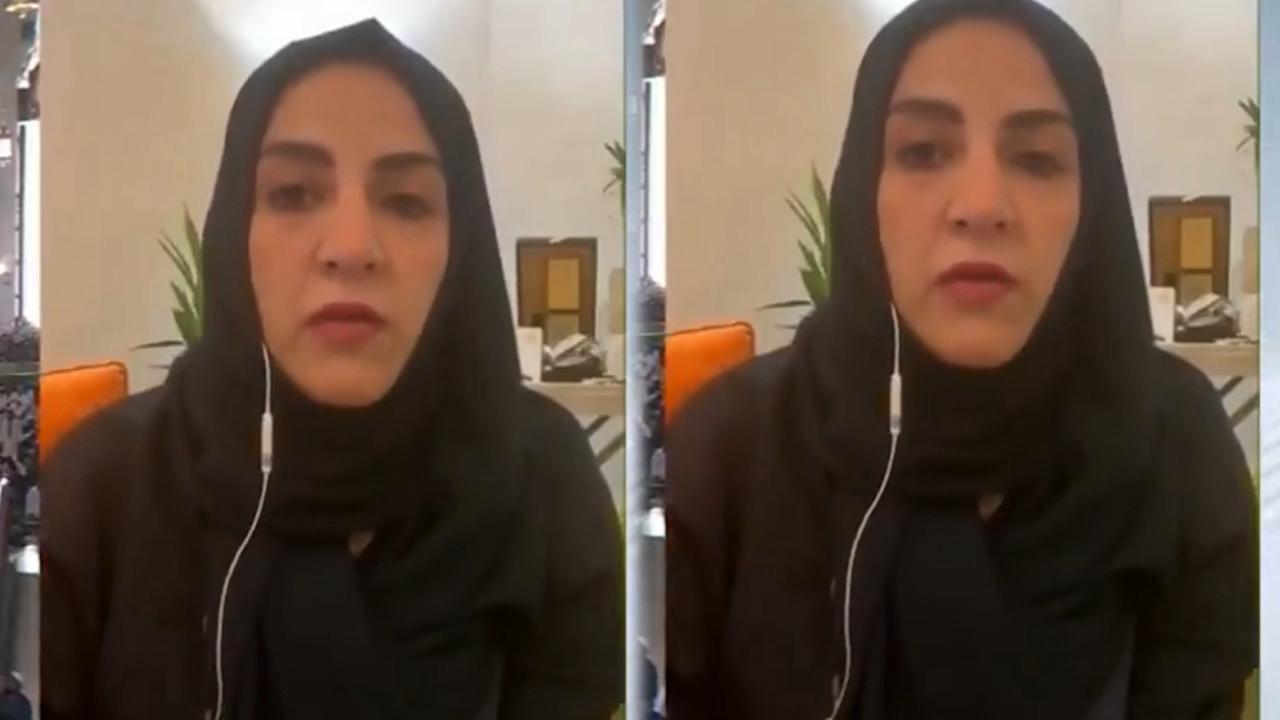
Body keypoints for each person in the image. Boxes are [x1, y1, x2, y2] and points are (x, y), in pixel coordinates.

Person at [664, 1, 1257, 718]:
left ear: (1091, 202)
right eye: (923, 152)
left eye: (1036, 159)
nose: (981, 205)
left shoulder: (1172, 439)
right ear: (864, 191)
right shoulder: (729, 452)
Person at [41, 20, 622, 720]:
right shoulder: (100, 491)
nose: (351, 247)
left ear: (460, 245)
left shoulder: (540, 475)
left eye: (405, 201)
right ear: (235, 232)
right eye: (293, 193)